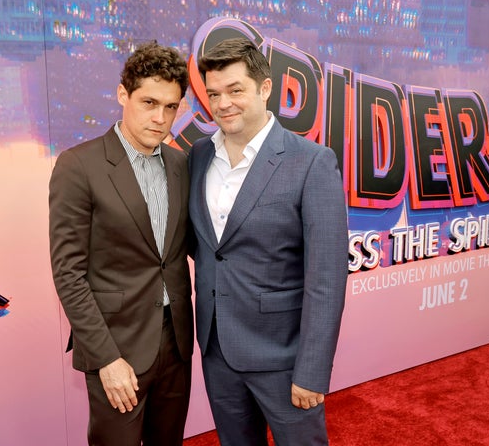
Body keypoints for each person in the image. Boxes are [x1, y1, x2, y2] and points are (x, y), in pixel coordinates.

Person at [188, 37, 349, 446]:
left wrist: (312, 370)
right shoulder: (199, 157)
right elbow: (208, 248)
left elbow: (326, 279)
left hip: (283, 356)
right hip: (217, 349)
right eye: (214, 94)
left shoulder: (311, 161)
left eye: (235, 90)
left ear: (264, 88)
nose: (223, 104)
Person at [49, 41, 193, 446]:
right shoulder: (79, 166)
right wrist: (106, 359)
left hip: (176, 341)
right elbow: (68, 273)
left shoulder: (181, 164)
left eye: (171, 106)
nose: (160, 118)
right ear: (122, 95)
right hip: (116, 344)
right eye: (148, 102)